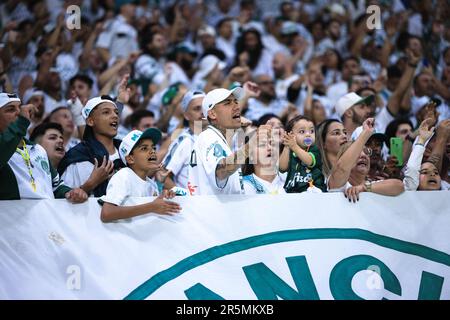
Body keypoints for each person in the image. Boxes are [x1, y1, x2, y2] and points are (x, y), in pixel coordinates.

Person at [0, 93, 87, 202]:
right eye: (11, 109)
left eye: (20, 108)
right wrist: (21, 122)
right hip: (13, 218)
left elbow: (56, 186)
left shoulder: (38, 149)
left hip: (46, 217)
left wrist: (69, 192)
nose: (19, 112)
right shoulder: (4, 149)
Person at [187, 86, 259, 195]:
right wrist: (253, 142)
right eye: (228, 103)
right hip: (212, 211)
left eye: (236, 102)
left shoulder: (218, 139)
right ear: (212, 114)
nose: (236, 107)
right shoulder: (208, 137)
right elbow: (221, 171)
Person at [99, 128, 181, 222]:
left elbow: (154, 208)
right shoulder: (124, 176)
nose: (152, 151)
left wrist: (161, 187)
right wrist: (151, 207)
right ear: (130, 159)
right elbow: (106, 213)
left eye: (153, 147)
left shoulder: (151, 183)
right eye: (144, 148)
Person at [58, 95, 124, 197]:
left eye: (116, 112)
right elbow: (64, 201)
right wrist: (92, 183)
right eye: (106, 112)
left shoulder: (128, 152)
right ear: (90, 121)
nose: (115, 116)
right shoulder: (77, 156)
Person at [328, 118, 405, 202]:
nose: (363, 155)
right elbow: (341, 168)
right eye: (358, 152)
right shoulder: (338, 184)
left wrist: (364, 188)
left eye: (366, 152)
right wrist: (366, 133)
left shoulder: (370, 185)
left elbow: (399, 186)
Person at [161, 90, 206, 190]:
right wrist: (185, 197)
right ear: (186, 115)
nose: (202, 112)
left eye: (205, 107)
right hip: (191, 204)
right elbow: (162, 176)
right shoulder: (184, 141)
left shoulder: (215, 138)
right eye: (197, 108)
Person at [280, 115, 326, 193]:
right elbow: (282, 168)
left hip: (313, 190)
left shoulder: (314, 150)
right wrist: (287, 146)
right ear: (290, 135)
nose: (308, 134)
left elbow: (309, 161)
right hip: (293, 191)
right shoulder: (290, 151)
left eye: (312, 131)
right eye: (302, 131)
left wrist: (294, 146)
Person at [242, 128, 286, 194]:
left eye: (272, 144)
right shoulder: (242, 186)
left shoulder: (290, 182)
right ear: (250, 155)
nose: (270, 148)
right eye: (262, 145)